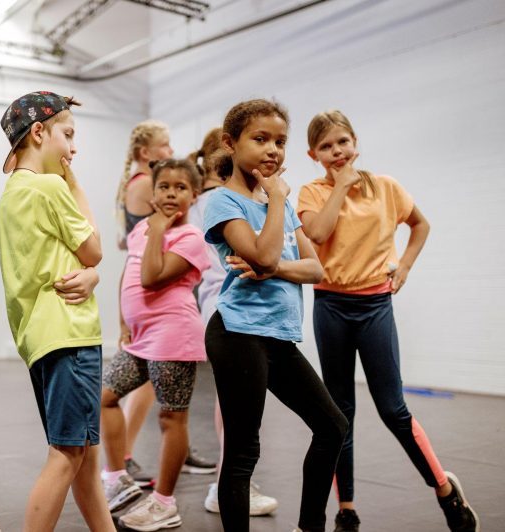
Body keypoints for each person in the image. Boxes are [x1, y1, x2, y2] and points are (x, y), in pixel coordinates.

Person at [297, 110, 479, 532]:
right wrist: (340, 188)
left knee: (393, 409)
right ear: (313, 154)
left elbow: (420, 224)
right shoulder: (311, 192)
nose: (336, 152)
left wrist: (406, 266)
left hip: (375, 306)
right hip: (331, 307)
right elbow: (319, 235)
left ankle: (446, 492)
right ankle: (347, 509)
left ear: (355, 142)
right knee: (340, 413)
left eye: (342, 141)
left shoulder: (387, 188)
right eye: (326, 146)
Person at [202, 98, 348, 532]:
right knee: (244, 451)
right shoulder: (223, 202)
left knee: (332, 427)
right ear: (231, 143)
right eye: (260, 139)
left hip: (277, 338)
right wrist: (278, 202)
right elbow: (262, 253)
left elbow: (314, 268)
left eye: (280, 142)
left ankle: (310, 526)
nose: (273, 150)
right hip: (237, 334)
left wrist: (275, 266)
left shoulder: (273, 200)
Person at [0, 91, 114, 531]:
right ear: (40, 132)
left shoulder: (13, 192)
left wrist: (91, 274)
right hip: (71, 332)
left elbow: (60, 262)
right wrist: (76, 184)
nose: (73, 148)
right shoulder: (50, 187)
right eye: (68, 134)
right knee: (67, 455)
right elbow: (94, 250)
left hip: (42, 337)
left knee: (83, 453)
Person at [101, 158, 210, 531]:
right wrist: (122, 320)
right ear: (153, 191)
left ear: (193, 196)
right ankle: (115, 477)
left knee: (171, 416)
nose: (170, 193)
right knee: (104, 397)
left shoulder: (191, 237)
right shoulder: (141, 230)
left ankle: (164, 503)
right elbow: (128, 273)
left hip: (172, 335)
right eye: (164, 186)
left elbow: (150, 278)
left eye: (180, 188)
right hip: (139, 338)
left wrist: (160, 229)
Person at [186, 127, 279, 517]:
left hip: (225, 305)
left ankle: (228, 479)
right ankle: (228, 481)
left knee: (230, 401)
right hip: (226, 305)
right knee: (235, 403)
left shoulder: (218, 201)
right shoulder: (217, 202)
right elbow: (261, 255)